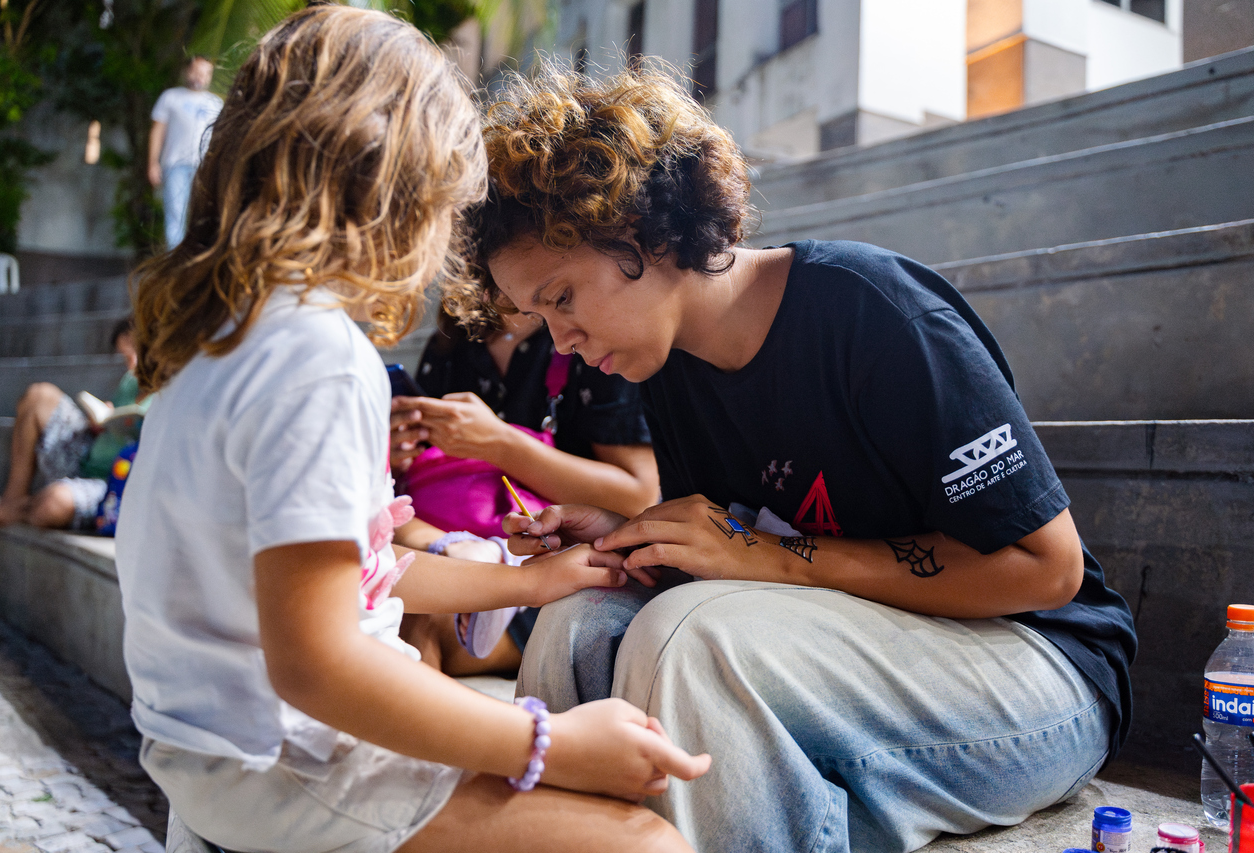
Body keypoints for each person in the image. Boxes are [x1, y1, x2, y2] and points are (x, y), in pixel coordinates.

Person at [446, 65, 1138, 853]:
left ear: (646, 229)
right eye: (539, 315)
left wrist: (773, 557)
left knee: (691, 639)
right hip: (862, 649)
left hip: (1041, 667)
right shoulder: (667, 369)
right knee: (577, 622)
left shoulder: (870, 310)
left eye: (563, 296)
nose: (559, 338)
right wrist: (633, 537)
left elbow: (1046, 569)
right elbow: (749, 558)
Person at [115, 10, 707, 853]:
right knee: (648, 845)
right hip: (293, 767)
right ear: (398, 187)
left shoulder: (221, 343)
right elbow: (317, 660)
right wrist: (550, 742)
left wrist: (529, 583)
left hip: (209, 763)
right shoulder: (315, 356)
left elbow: (358, 574)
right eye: (448, 207)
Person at [392, 307, 659, 675]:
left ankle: (466, 554)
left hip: (554, 562)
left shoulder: (597, 336)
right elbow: (419, 479)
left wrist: (499, 443)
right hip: (446, 540)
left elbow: (639, 500)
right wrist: (396, 454)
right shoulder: (453, 341)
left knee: (419, 618)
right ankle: (454, 548)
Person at [0, 318, 146, 531]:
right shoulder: (130, 381)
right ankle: (12, 500)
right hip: (89, 453)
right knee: (39, 396)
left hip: (112, 483)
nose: (131, 364)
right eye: (125, 357)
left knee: (53, 504)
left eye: (136, 355)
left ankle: (20, 510)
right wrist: (101, 421)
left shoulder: (172, 392)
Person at [147, 56, 222, 249]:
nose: (200, 76)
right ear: (188, 71)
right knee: (175, 215)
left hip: (204, 167)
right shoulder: (170, 97)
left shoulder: (216, 103)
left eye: (205, 73)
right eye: (197, 71)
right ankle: (175, 261)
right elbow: (157, 132)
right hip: (175, 165)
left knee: (203, 216)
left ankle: (196, 260)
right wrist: (153, 163)